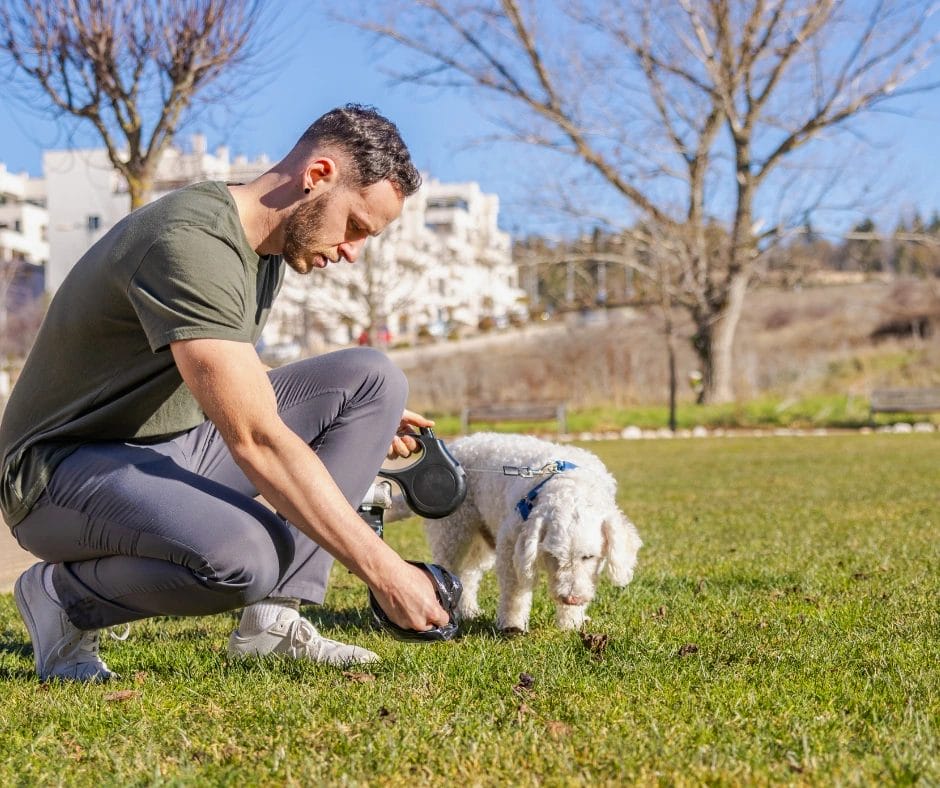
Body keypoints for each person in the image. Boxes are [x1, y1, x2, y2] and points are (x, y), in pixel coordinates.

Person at [0, 104, 451, 682]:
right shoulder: (190, 242)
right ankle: (63, 599)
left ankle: (271, 624)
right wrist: (387, 572)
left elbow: (229, 376)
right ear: (317, 176)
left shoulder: (265, 249)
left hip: (163, 448)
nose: (352, 251)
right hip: (55, 474)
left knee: (370, 382)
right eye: (356, 226)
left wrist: (354, 420)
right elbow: (255, 439)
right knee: (246, 557)